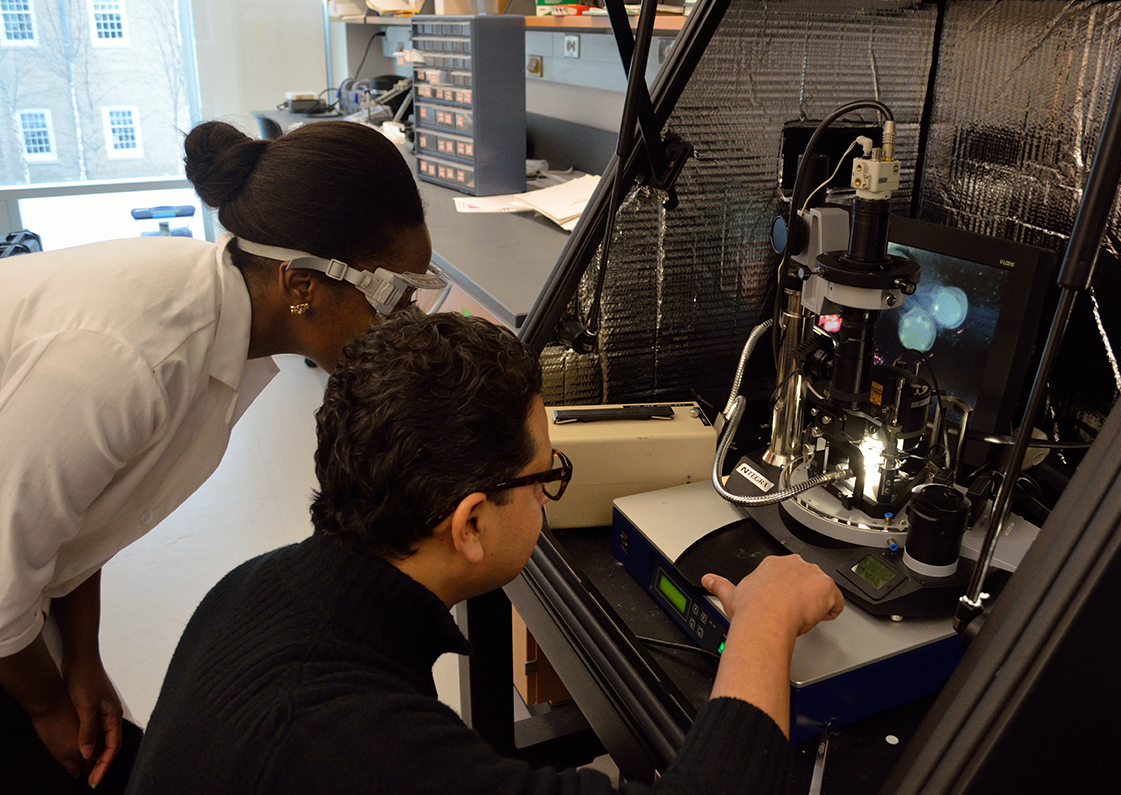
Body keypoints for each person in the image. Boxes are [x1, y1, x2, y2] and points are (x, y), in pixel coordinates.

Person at [125, 311, 845, 795]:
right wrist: (764, 621)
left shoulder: (256, 586)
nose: (548, 495)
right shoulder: (351, 745)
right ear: (469, 524)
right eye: (545, 478)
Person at [0, 119, 435, 792]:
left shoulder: (215, 315)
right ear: (301, 283)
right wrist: (48, 705)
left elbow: (81, 509)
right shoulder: (130, 363)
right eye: (391, 295)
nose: (406, 319)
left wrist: (81, 657)